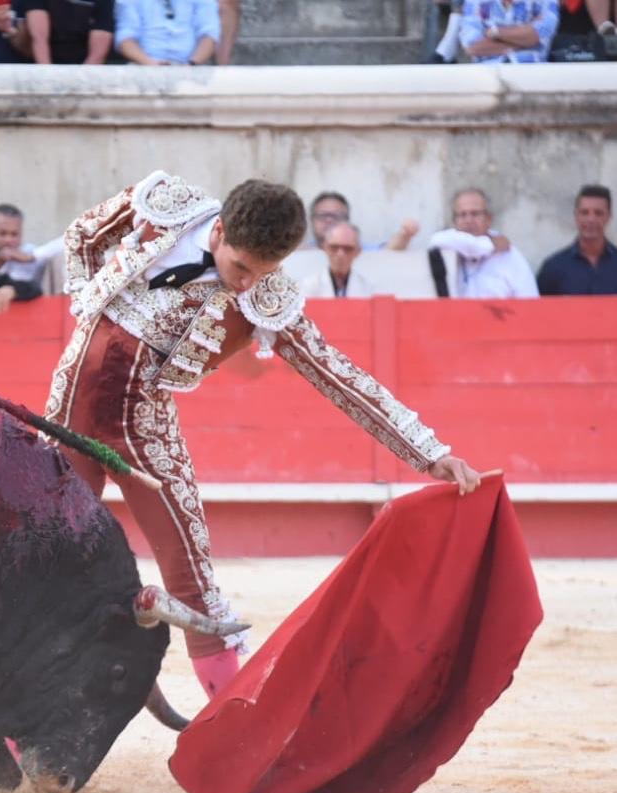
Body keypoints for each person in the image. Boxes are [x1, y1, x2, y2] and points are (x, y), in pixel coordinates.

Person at [44, 171, 479, 699]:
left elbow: (337, 374)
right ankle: (21, 731)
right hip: (67, 412)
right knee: (40, 564)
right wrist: (88, 308)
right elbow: (81, 237)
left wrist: (429, 451)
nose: (247, 283)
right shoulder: (164, 207)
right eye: (241, 267)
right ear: (220, 229)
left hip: (144, 428)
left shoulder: (267, 298)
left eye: (264, 272)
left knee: (195, 586)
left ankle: (235, 737)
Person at [427, 188, 538, 299]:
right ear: (454, 221)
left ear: (489, 219)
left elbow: (530, 302)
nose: (468, 220)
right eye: (462, 215)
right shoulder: (448, 245)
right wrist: (489, 245)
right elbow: (435, 240)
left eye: (475, 214)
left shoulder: (510, 255)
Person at [536, 184, 617, 295]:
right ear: (576, 216)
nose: (591, 219)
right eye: (584, 212)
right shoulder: (553, 268)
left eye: (598, 213)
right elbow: (537, 310)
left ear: (609, 217)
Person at [0, 203, 63, 287]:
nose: (8, 240)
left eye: (14, 234)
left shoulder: (29, 254)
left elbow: (70, 240)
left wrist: (32, 256)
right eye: (2, 234)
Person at [114, 0, 219, 66]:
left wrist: (191, 65)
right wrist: (150, 63)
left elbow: (209, 35)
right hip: (143, 65)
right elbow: (125, 39)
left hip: (191, 66)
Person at [307, 191, 418, 251]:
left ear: (347, 221)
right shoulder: (301, 252)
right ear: (312, 220)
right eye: (323, 215)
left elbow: (389, 250)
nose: (329, 220)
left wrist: (405, 233)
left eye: (336, 216)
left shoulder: (360, 251)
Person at [461, 0, 560, 62]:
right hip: (487, 78)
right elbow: (472, 47)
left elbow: (542, 32)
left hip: (531, 76)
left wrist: (494, 32)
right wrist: (526, 39)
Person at [21, 0, 114, 63]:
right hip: (46, 66)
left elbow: (98, 53)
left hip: (86, 70)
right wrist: (48, 77)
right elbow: (39, 39)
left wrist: (80, 82)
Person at [298, 221, 373, 299]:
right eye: (334, 247)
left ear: (358, 251)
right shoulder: (307, 287)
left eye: (348, 249)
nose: (340, 254)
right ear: (325, 247)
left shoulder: (368, 289)